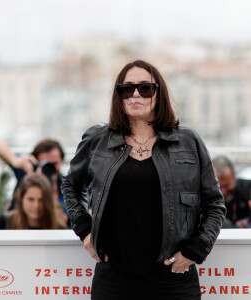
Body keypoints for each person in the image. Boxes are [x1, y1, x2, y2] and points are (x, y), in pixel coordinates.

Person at [61, 60, 226, 300]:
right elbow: (70, 185)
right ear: (119, 95)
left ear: (158, 94)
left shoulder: (188, 142)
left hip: (173, 279)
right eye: (126, 88)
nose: (135, 94)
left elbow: (214, 204)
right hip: (113, 279)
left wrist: (196, 250)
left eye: (145, 88)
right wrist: (85, 230)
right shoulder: (98, 140)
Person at [0, 137, 69, 227]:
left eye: (54, 164)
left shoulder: (69, 188)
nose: (48, 169)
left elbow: (62, 225)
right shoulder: (26, 173)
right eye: (44, 164)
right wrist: (15, 160)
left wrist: (53, 193)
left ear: (62, 161)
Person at [0, 173, 67, 229]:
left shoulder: (58, 227)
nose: (36, 205)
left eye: (41, 200)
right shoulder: (4, 223)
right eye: (31, 199)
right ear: (20, 198)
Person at [213, 155, 251, 228]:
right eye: (218, 187)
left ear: (234, 177)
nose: (223, 191)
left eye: (227, 185)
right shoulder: (202, 197)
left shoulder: (249, 189)